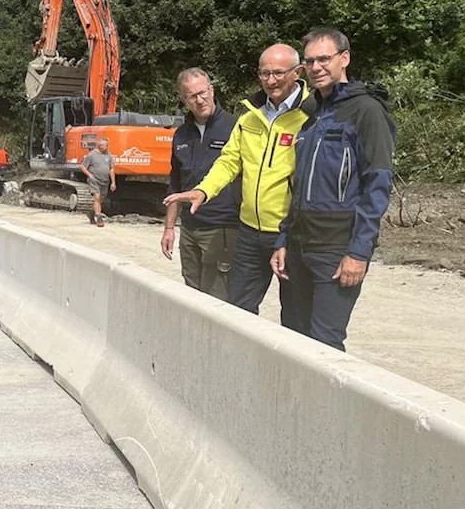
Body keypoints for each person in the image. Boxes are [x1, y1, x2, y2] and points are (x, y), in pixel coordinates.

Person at [164, 45, 314, 319]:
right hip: (249, 232)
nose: (271, 80)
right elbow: (229, 162)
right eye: (265, 73)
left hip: (290, 233)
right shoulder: (249, 118)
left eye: (278, 73)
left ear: (298, 72)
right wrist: (203, 191)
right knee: (237, 314)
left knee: (296, 315)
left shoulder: (311, 117)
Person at [270, 29, 396, 352]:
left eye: (324, 59)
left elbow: (378, 185)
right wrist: (284, 239)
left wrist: (358, 252)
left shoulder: (366, 111)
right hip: (298, 247)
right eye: (310, 60)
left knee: (324, 344)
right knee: (294, 337)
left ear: (345, 59)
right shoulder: (311, 114)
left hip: (336, 249)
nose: (316, 67)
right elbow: (298, 187)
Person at [161, 68, 242, 300]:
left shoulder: (236, 127)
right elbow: (175, 185)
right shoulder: (181, 135)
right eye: (191, 96)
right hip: (189, 229)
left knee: (217, 298)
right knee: (192, 296)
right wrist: (169, 228)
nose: (200, 100)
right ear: (184, 100)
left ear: (212, 90)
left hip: (222, 227)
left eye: (202, 92)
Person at [80, 137, 116, 227]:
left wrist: (113, 182)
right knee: (97, 197)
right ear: (99, 146)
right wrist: (90, 175)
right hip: (94, 180)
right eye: (104, 146)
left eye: (107, 145)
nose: (106, 147)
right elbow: (83, 166)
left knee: (101, 200)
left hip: (105, 181)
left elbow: (111, 169)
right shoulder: (91, 155)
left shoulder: (108, 155)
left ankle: (91, 214)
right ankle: (99, 218)